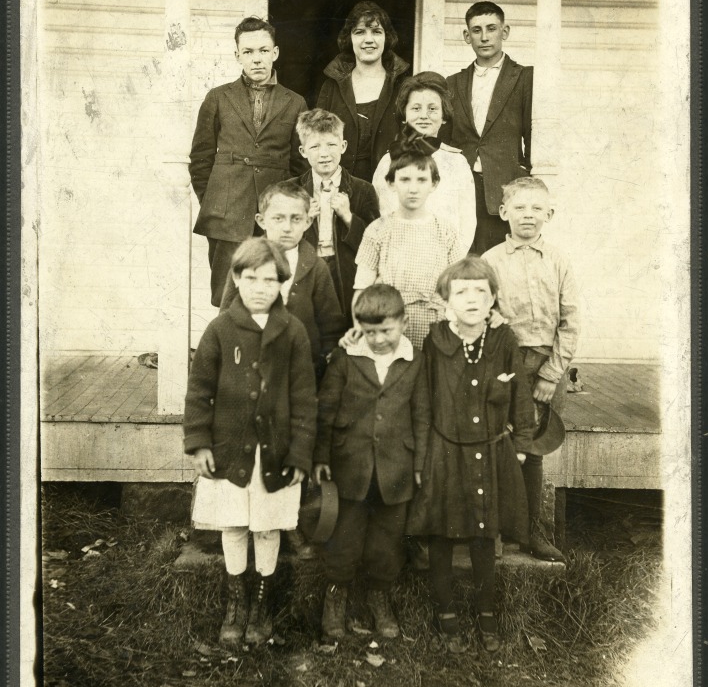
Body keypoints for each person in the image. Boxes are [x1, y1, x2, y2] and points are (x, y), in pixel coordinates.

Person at [183, 238, 316, 649]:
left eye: (270, 280)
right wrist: (200, 443)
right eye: (251, 278)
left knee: (267, 527)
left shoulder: (292, 331)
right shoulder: (220, 329)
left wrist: (299, 453)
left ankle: (261, 604)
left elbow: (305, 398)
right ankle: (235, 602)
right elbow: (199, 390)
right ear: (237, 279)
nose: (260, 287)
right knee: (236, 523)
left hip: (274, 453)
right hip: (228, 449)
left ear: (282, 284)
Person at [407, 256, 534, 654]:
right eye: (461, 291)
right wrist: (422, 458)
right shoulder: (435, 340)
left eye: (481, 290)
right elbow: (424, 403)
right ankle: (445, 610)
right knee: (442, 532)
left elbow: (522, 396)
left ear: (494, 298)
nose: (472, 299)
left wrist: (523, 446)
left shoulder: (503, 340)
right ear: (446, 300)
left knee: (484, 533)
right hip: (444, 452)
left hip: (490, 453)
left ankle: (486, 611)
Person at [313, 285, 428, 641]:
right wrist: (320, 456)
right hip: (351, 465)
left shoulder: (416, 360)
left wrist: (420, 462)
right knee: (344, 537)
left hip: (397, 467)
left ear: (404, 324)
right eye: (370, 331)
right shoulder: (346, 359)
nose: (378, 340)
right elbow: (326, 409)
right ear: (358, 326)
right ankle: (336, 596)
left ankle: (379, 595)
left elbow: (422, 414)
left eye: (386, 331)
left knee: (387, 540)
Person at [483, 176, 580, 563]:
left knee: (534, 448)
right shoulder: (490, 261)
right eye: (519, 207)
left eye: (536, 208)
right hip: (506, 362)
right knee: (498, 443)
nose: (528, 215)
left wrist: (551, 374)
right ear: (503, 212)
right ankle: (493, 532)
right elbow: (484, 314)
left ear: (549, 214)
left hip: (545, 364)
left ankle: (532, 533)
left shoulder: (558, 261)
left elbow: (571, 321)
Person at [189, 17, 307, 306]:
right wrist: (215, 201)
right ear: (237, 55)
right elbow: (200, 159)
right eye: (249, 52)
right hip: (225, 216)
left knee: (273, 293)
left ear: (275, 53)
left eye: (263, 51)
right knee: (228, 295)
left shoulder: (295, 103)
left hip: (273, 216)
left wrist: (285, 210)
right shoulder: (217, 98)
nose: (257, 59)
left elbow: (300, 166)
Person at [219, 182, 346, 383]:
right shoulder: (245, 261)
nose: (287, 228)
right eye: (278, 219)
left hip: (301, 372)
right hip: (250, 369)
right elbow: (226, 316)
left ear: (308, 222)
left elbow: (330, 327)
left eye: (296, 219)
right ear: (261, 221)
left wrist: (322, 368)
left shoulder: (316, 267)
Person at [353, 141, 466, 349]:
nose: (413, 189)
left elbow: (460, 286)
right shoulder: (378, 230)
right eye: (404, 179)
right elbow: (362, 289)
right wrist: (360, 330)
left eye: (421, 180)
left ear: (433, 184)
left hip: (437, 327)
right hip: (389, 326)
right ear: (391, 183)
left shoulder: (446, 231)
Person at [441, 1, 532, 254]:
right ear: (466, 36)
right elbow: (445, 141)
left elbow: (533, 134)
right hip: (462, 186)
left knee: (500, 261)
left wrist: (525, 179)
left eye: (491, 28)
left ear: (504, 32)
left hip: (504, 187)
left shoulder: (525, 78)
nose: (484, 37)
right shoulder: (453, 83)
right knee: (463, 260)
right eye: (476, 30)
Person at [285, 108, 380, 325]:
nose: (324, 154)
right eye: (315, 146)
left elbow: (375, 247)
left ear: (343, 146)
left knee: (342, 335)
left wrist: (348, 216)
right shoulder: (290, 190)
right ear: (302, 151)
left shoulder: (363, 190)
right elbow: (276, 243)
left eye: (331, 145)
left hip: (345, 275)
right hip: (304, 274)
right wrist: (302, 220)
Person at [371, 71, 476, 250]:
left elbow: (467, 222)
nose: (424, 115)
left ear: (444, 116)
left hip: (444, 260)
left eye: (432, 109)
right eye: (416, 108)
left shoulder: (457, 163)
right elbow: (380, 215)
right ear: (404, 114)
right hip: (398, 258)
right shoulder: (389, 160)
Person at [316, 1, 410, 181]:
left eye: (376, 31)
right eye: (359, 32)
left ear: (386, 37)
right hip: (339, 186)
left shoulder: (403, 86)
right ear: (349, 38)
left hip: (390, 184)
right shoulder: (331, 86)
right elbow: (317, 140)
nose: (368, 40)